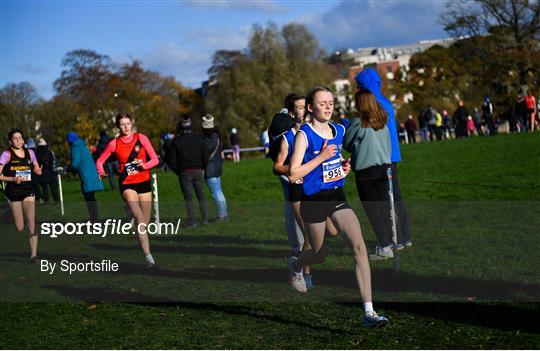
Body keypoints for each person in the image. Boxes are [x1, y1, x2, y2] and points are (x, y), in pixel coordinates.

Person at [288, 86, 388, 327]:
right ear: (310, 108)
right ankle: (297, 265)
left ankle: (369, 311)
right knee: (320, 255)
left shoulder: (339, 130)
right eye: (322, 103)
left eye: (331, 102)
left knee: (359, 247)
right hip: (313, 202)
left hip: (337, 197)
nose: (328, 107)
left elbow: (333, 161)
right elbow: (293, 174)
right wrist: (321, 158)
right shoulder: (304, 134)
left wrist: (342, 166)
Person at [354, 68, 412, 253]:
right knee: (395, 197)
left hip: (382, 156)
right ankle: (404, 237)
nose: (356, 88)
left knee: (388, 200)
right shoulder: (384, 100)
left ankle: (397, 239)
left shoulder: (375, 103)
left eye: (359, 85)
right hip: (391, 154)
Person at [96, 113, 159, 268]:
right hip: (127, 183)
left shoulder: (142, 138)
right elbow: (100, 160)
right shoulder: (114, 144)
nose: (125, 127)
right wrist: (100, 171)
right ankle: (148, 257)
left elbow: (155, 159)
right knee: (138, 216)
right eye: (122, 124)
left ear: (132, 123)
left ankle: (143, 243)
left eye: (127, 123)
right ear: (118, 126)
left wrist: (145, 165)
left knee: (145, 220)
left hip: (143, 181)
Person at [343, 88, 395, 259]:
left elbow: (347, 143)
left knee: (373, 211)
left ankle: (385, 246)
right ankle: (389, 242)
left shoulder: (359, 123)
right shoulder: (382, 121)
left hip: (367, 171)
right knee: (383, 208)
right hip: (384, 168)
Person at [0, 129, 42, 262]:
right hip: (14, 192)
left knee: (31, 222)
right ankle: (11, 214)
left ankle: (34, 255)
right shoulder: (6, 155)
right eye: (15, 138)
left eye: (20, 138)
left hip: (28, 190)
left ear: (23, 140)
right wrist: (13, 179)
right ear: (11, 141)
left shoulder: (30, 153)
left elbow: (35, 167)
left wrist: (38, 170)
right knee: (20, 227)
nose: (18, 140)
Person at [169, 115, 209, 227]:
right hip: (198, 170)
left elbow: (172, 160)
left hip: (184, 172)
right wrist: (202, 167)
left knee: (188, 197)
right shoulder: (199, 139)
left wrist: (179, 171)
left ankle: (192, 221)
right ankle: (204, 219)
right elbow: (205, 157)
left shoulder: (176, 141)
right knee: (201, 195)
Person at [67, 132, 104, 223]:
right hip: (92, 173)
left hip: (86, 175)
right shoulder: (83, 146)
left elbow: (75, 163)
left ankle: (94, 220)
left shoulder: (75, 148)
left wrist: (68, 168)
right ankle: (94, 218)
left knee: (89, 198)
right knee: (91, 197)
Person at [202, 113, 228, 222]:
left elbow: (205, 152)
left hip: (210, 168)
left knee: (216, 193)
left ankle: (222, 215)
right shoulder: (217, 136)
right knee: (219, 191)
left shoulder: (207, 139)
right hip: (217, 167)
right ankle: (224, 213)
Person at [35, 138, 60, 204]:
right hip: (51, 172)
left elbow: (37, 163)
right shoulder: (49, 152)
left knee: (44, 188)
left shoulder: (37, 153)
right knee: (54, 188)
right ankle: (57, 200)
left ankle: (46, 201)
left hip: (42, 172)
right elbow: (52, 162)